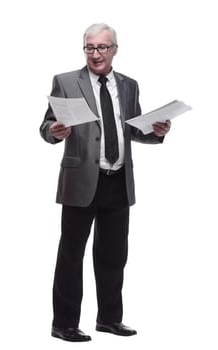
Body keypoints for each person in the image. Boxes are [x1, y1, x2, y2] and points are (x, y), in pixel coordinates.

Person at [40, 23, 171, 342]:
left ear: (114, 49)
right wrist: (53, 132)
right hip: (80, 179)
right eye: (89, 47)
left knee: (114, 254)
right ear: (84, 49)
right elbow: (46, 125)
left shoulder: (129, 85)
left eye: (102, 47)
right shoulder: (66, 81)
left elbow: (135, 130)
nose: (95, 54)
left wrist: (157, 132)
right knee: (71, 253)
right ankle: (64, 323)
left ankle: (110, 319)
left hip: (118, 179)